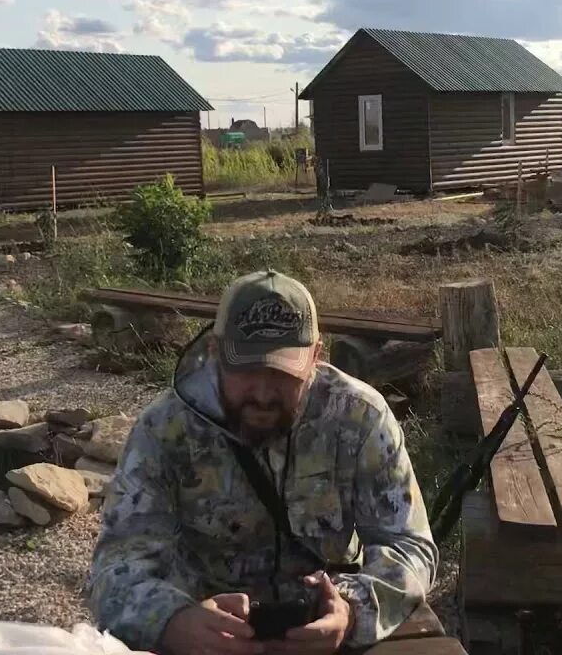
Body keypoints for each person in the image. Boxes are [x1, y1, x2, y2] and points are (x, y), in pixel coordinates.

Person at [88, 271, 437, 655]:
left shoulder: (360, 418)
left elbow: (409, 545)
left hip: (325, 630)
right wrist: (172, 621)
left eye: (283, 372)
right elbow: (116, 570)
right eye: (248, 370)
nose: (264, 393)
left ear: (315, 357)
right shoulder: (165, 430)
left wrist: (352, 610)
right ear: (217, 353)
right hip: (206, 635)